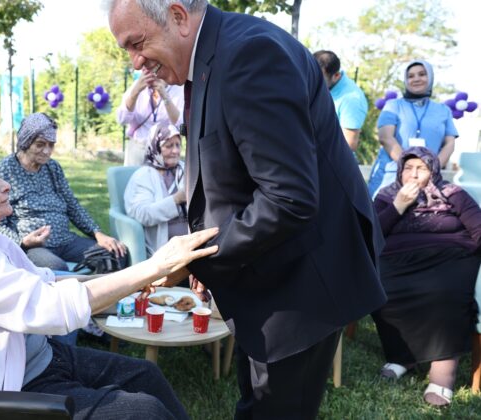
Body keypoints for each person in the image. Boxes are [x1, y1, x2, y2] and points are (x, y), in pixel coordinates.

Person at [107, 1, 387, 418]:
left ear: (179, 17)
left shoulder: (249, 56)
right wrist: (210, 255)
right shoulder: (211, 55)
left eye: (137, 43)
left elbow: (287, 197)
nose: (135, 62)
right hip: (268, 273)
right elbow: (231, 171)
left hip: (303, 285)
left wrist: (196, 260)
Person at [0, 139, 219, 419]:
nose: (3, 184)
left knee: (144, 374)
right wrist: (155, 266)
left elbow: (47, 282)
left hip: (35, 361)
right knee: (142, 412)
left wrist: (131, 281)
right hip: (0, 395)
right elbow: (52, 308)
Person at [371, 147, 480, 407]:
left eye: (421, 168)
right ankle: (402, 355)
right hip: (398, 259)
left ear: (433, 170)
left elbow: (477, 225)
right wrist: (398, 205)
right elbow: (372, 233)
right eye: (408, 167)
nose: (414, 174)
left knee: (444, 293)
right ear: (399, 171)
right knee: (381, 291)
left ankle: (443, 372)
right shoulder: (387, 196)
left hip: (450, 255)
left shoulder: (453, 193)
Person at [0, 112, 127, 271]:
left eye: (51, 145)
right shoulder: (5, 171)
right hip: (33, 247)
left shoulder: (53, 167)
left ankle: (94, 290)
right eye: (40, 144)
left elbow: (72, 206)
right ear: (25, 142)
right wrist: (22, 242)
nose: (47, 151)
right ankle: (80, 287)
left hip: (65, 240)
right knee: (56, 267)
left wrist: (98, 234)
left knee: (115, 254)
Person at [367, 60, 458, 198]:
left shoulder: (443, 110)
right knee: (381, 217)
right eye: (410, 76)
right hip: (391, 176)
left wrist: (430, 170)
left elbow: (450, 143)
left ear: (430, 77)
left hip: (427, 180)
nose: (416, 79)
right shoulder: (393, 105)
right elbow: (385, 137)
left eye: (422, 74)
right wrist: (409, 169)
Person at [124, 123, 187, 256]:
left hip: (192, 243)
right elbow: (143, 214)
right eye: (169, 146)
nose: (175, 151)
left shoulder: (187, 169)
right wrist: (176, 199)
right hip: (163, 250)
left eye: (178, 145)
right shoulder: (144, 176)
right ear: (156, 146)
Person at [117, 66, 184, 166]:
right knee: (135, 180)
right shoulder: (138, 86)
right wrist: (135, 92)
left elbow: (181, 124)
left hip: (165, 150)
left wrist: (164, 95)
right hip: (138, 148)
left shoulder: (178, 89)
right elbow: (122, 119)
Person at [312, 50, 368, 153]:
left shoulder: (351, 99)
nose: (312, 81)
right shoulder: (324, 87)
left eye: (319, 78)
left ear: (336, 76)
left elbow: (349, 144)